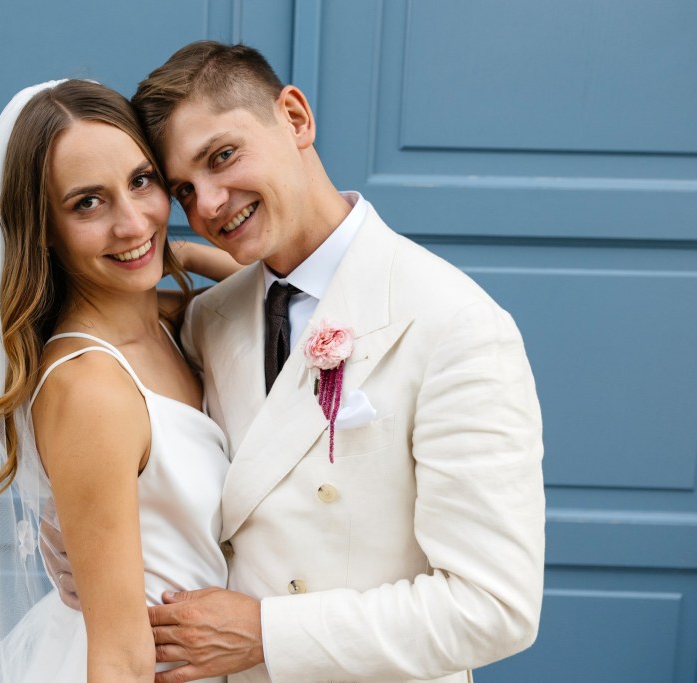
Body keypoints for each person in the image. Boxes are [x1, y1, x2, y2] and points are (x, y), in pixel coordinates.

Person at [130, 42, 546, 682]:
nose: (208, 205)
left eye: (222, 156)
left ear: (295, 117)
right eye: (184, 189)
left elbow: (494, 607)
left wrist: (266, 633)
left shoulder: (454, 323)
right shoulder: (208, 322)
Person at [0, 79, 240, 683]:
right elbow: (120, 659)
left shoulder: (175, 323)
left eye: (141, 181)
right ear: (43, 229)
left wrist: (181, 253)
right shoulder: (91, 390)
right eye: (87, 203)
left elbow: (280, 290)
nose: (132, 223)